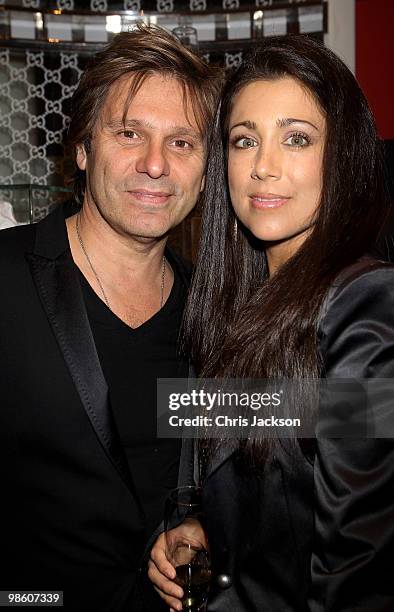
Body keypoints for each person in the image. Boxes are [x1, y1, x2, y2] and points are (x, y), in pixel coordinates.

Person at [148, 35, 394, 611]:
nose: (263, 167)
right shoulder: (225, 307)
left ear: (342, 155)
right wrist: (197, 524)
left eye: (296, 138)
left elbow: (358, 574)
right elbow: (241, 459)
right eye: (244, 141)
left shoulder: (373, 308)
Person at [0, 24, 219, 612]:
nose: (155, 165)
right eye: (130, 133)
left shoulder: (216, 311)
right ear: (82, 147)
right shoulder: (6, 277)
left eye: (182, 142)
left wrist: (202, 526)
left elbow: (329, 421)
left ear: (205, 169)